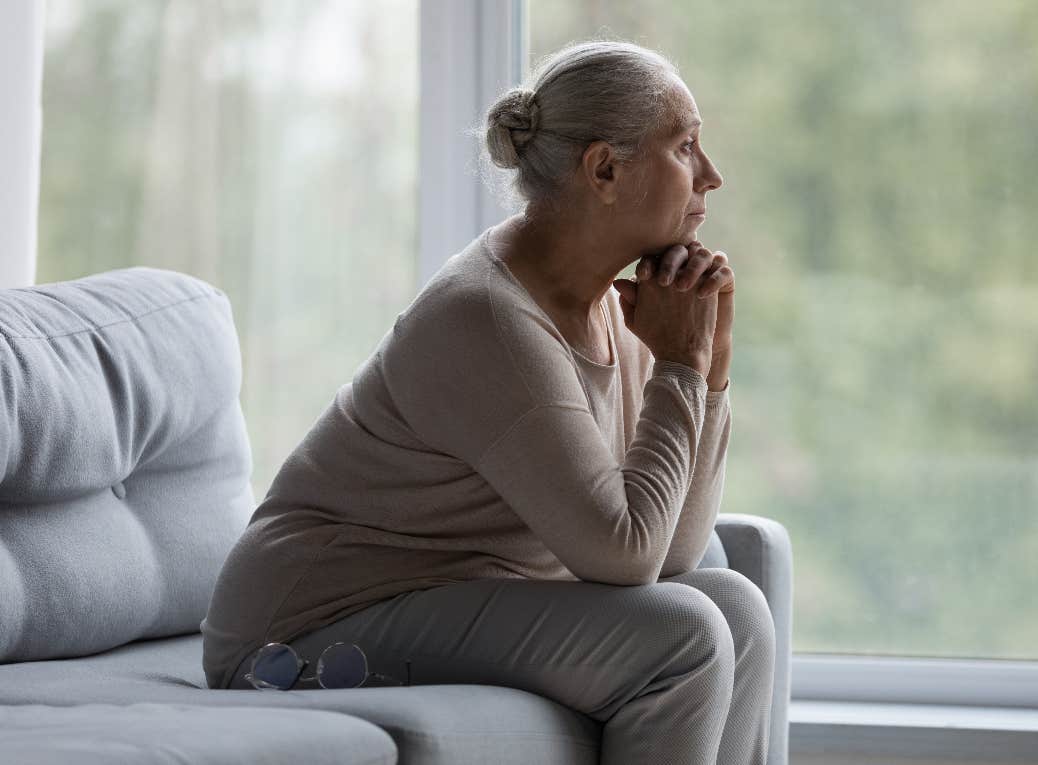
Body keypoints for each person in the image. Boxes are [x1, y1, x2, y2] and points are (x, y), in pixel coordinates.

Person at [199, 39, 776, 764]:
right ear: (604, 169)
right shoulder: (489, 318)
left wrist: (707, 367)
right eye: (686, 146)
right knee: (684, 633)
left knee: (737, 611)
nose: (712, 176)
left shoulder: (615, 304)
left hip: (447, 594)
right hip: (301, 629)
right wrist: (681, 367)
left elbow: (672, 553)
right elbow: (626, 555)